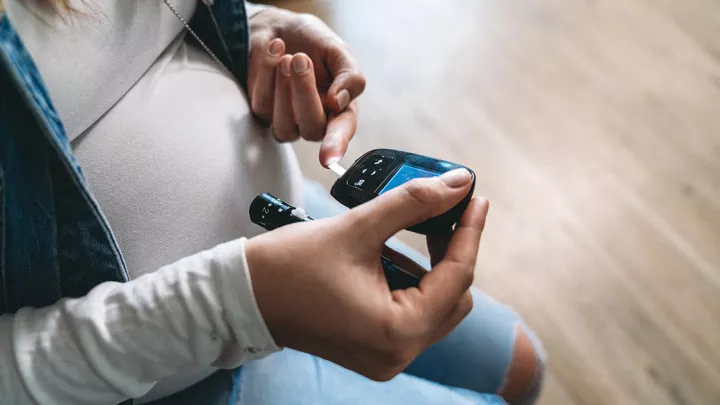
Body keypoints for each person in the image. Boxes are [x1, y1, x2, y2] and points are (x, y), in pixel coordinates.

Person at [0, 1, 546, 404]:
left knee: (522, 365)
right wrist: (236, 304)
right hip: (164, 365)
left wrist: (256, 28)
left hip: (293, 233)